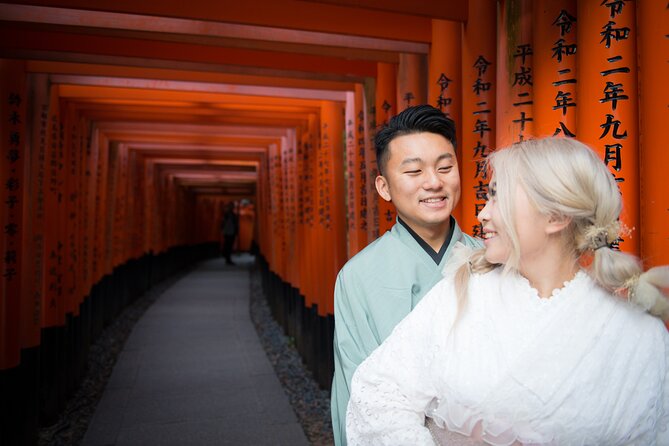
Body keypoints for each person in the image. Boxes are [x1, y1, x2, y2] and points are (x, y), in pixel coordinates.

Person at [346, 137, 669, 445]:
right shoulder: (461, 292)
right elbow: (379, 392)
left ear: (555, 216)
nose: (482, 213)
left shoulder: (638, 332)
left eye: (497, 197)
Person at [331, 105, 482, 445]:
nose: (434, 182)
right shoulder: (358, 277)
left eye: (445, 167)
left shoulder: (493, 259)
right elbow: (356, 392)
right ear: (384, 188)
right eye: (414, 171)